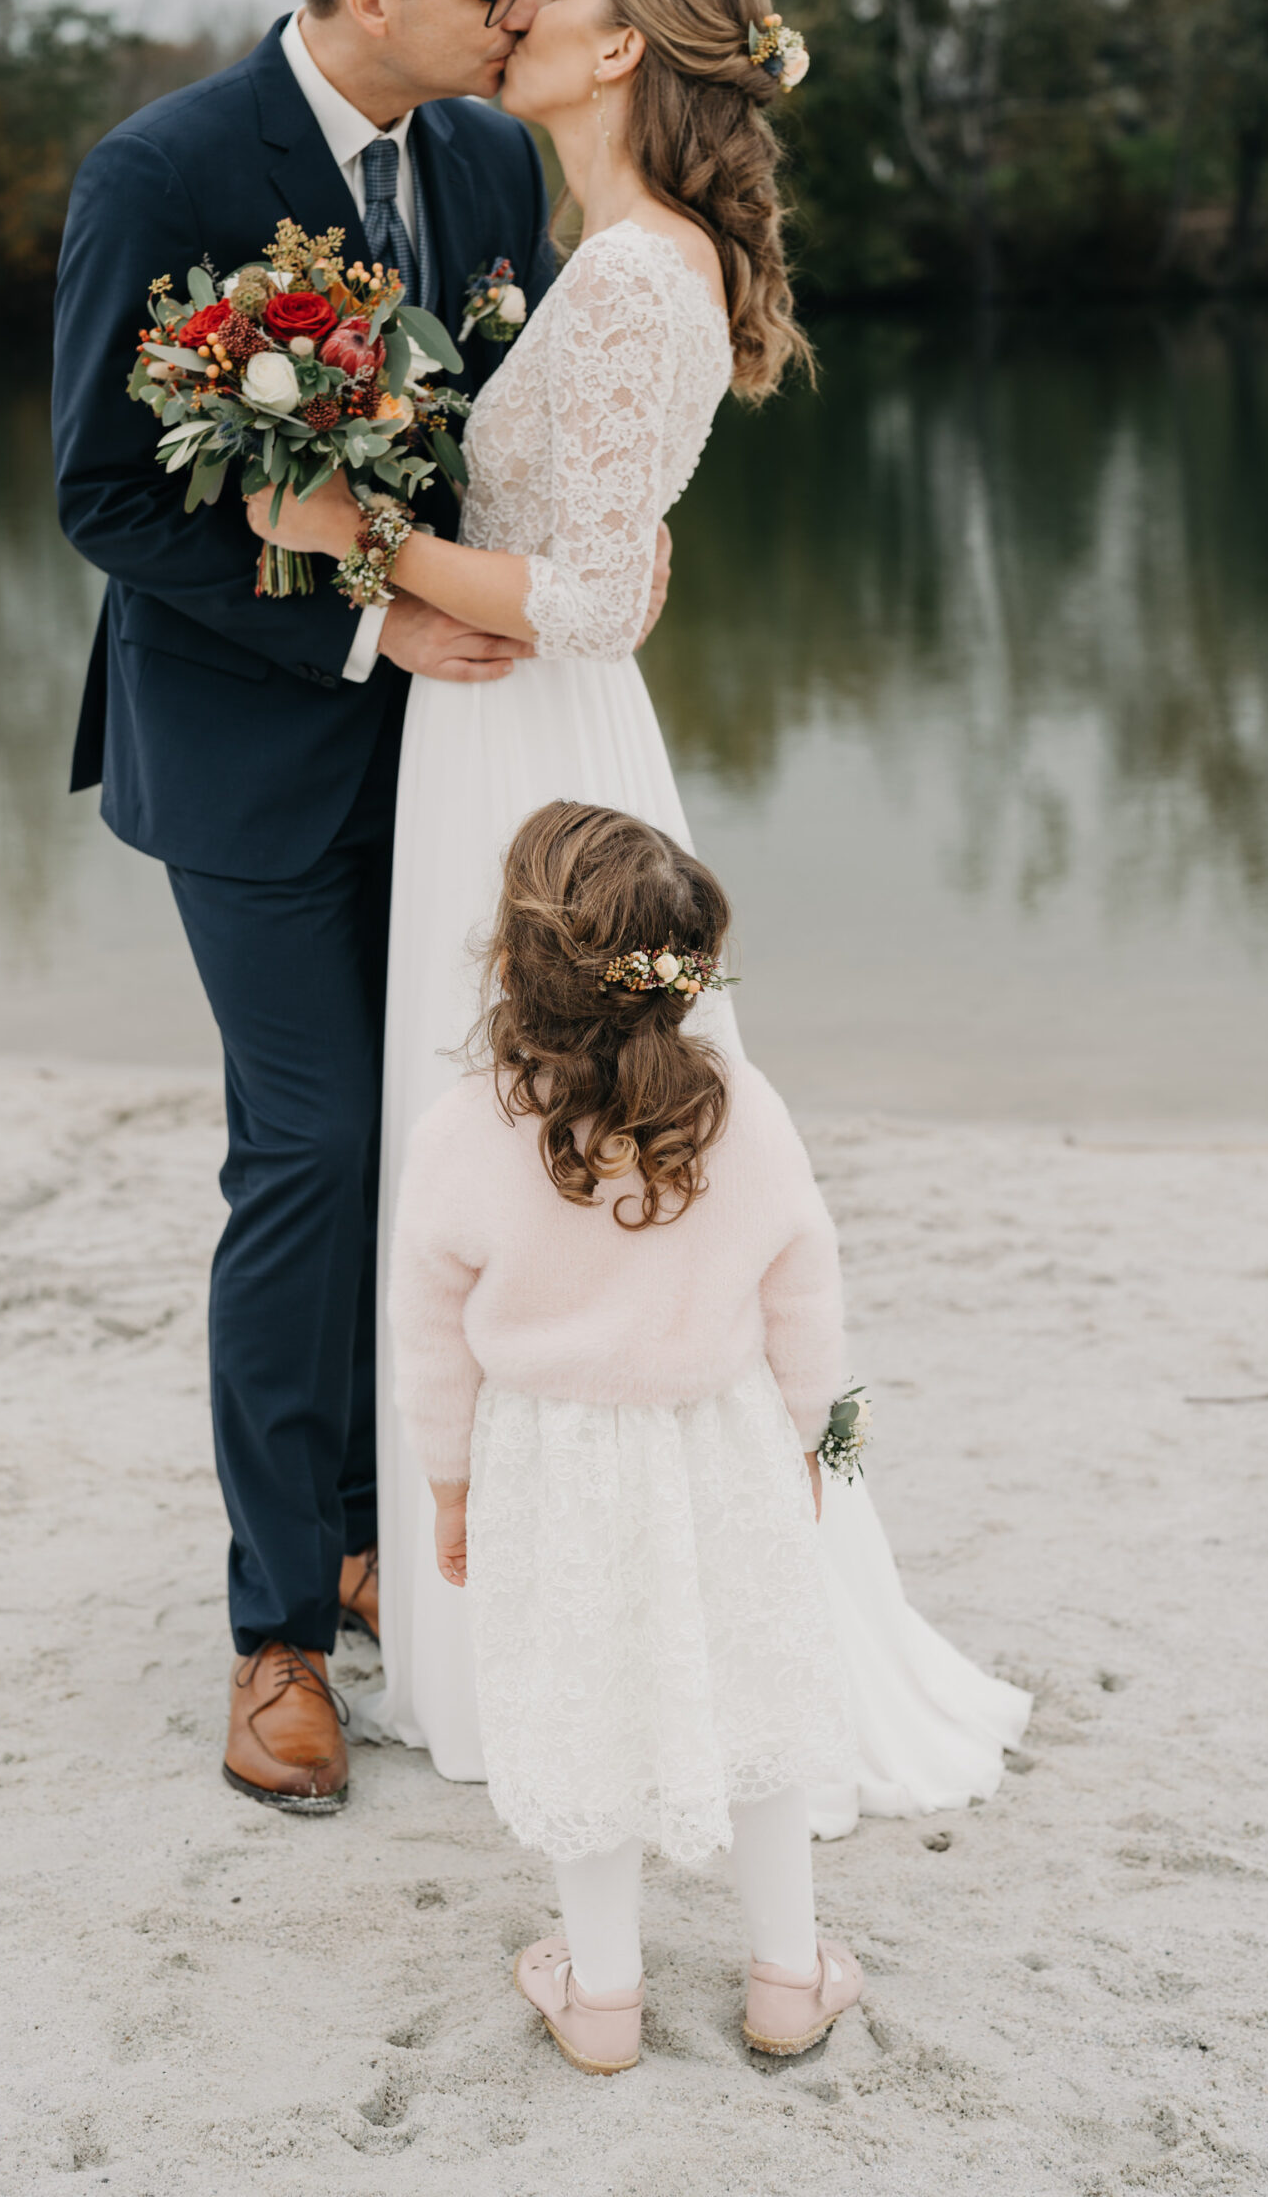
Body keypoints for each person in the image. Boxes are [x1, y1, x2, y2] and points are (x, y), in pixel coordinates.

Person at [249, 0, 1032, 1819]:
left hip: (533, 748)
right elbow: (594, 559)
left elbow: (589, 594)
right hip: (511, 733)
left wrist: (348, 535)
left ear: (617, 54)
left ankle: (612, 1621)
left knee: (548, 1138)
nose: (521, 10)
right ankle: (522, 1590)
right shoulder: (604, 258)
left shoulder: (631, 279)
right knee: (525, 1143)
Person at [52, 0, 675, 1812]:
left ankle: (363, 1525)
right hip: (248, 756)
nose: (522, 10)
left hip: (459, 759)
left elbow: (512, 436)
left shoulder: (486, 162)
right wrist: (358, 615)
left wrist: (571, 568)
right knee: (309, 1153)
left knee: (430, 1147)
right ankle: (276, 1638)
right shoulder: (160, 172)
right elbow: (105, 496)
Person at [387, 801, 865, 2074]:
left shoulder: (462, 1130)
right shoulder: (741, 1109)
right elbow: (806, 1289)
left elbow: (428, 1336)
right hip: (722, 1447)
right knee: (755, 1693)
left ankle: (602, 1994)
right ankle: (787, 1977)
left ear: (512, 961)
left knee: (580, 1710)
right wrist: (811, 1439)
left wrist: (449, 1484)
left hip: (547, 1467)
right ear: (689, 968)